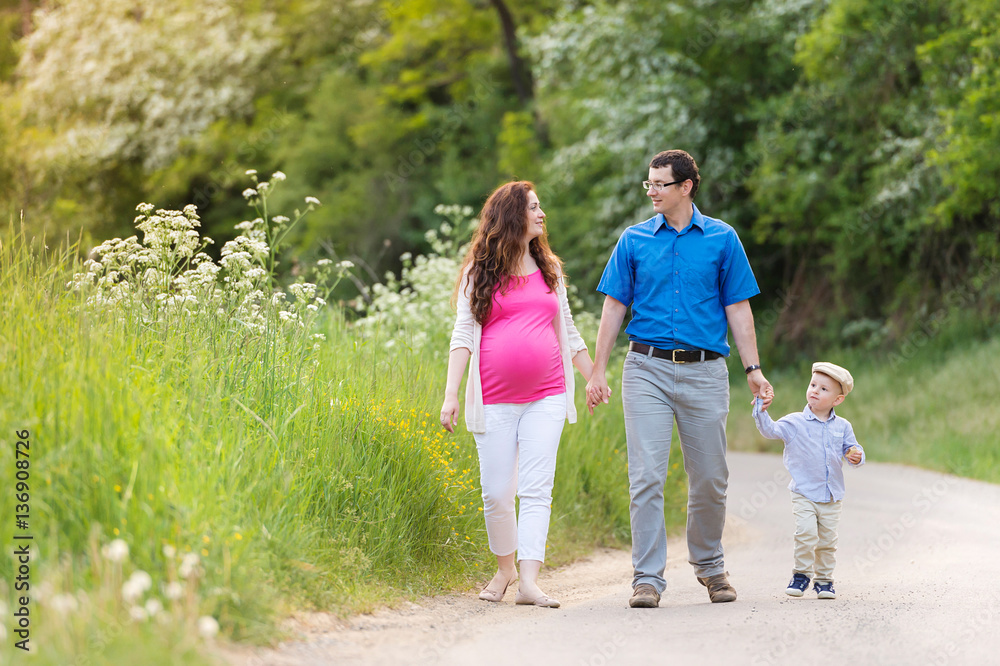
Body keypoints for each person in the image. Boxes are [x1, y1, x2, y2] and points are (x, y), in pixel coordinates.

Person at [586, 149, 773, 608]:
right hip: (645, 368)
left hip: (706, 371)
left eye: (659, 184)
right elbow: (614, 307)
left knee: (710, 477)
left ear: (686, 186)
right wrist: (597, 369)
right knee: (646, 475)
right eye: (647, 183)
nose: (650, 190)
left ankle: (710, 566)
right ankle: (646, 578)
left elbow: (738, 308)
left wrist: (753, 369)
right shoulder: (633, 241)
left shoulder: (722, 239)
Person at [440, 180, 594, 608]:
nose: (542, 215)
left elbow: (569, 330)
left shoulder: (550, 270)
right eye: (534, 207)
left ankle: (528, 581)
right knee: (495, 492)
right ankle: (504, 569)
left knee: (537, 487)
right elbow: (464, 333)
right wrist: (451, 393)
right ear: (512, 216)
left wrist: (592, 376)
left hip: (546, 394)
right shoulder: (480, 270)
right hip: (494, 401)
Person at [752, 362, 864, 600]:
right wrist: (761, 409)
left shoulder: (843, 426)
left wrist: (856, 454)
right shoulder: (795, 422)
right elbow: (770, 430)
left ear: (838, 400)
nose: (815, 390)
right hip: (803, 492)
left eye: (824, 389)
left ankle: (824, 580)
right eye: (813, 384)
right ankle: (801, 575)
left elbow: (852, 449)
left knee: (827, 541)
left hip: (832, 496)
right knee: (805, 533)